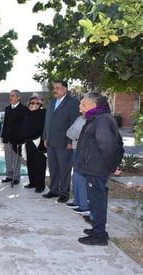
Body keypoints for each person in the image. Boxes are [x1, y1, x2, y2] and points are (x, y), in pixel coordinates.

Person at [74, 92, 123, 246]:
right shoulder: (98, 118)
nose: (80, 107)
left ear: (93, 106)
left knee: (98, 202)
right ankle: (98, 229)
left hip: (97, 169)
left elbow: (108, 146)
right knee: (96, 201)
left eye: (83, 104)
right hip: (94, 168)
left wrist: (112, 166)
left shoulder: (101, 120)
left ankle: (99, 236)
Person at [42, 80, 80, 203]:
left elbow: (74, 123)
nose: (55, 90)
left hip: (64, 142)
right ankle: (54, 190)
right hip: (51, 141)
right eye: (54, 88)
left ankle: (64, 193)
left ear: (65, 89)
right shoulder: (52, 102)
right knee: (53, 168)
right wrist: (45, 137)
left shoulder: (73, 103)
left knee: (64, 168)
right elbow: (47, 121)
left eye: (58, 88)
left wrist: (70, 141)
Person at [17, 95, 47, 193]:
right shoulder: (27, 114)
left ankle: (40, 186)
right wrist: (20, 139)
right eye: (32, 103)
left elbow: (46, 128)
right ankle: (32, 182)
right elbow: (23, 128)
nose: (34, 105)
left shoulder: (43, 113)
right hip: (28, 142)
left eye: (37, 103)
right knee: (30, 163)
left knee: (40, 164)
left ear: (40, 105)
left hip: (39, 142)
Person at [1, 89, 28, 185]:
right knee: (8, 158)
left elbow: (25, 125)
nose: (10, 98)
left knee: (16, 158)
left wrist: (22, 138)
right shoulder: (7, 109)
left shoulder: (24, 109)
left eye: (12, 96)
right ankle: (9, 175)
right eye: (10, 96)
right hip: (7, 138)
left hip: (17, 139)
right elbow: (5, 123)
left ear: (18, 97)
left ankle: (16, 177)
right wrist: (3, 135)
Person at [66, 114, 90, 215]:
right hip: (75, 148)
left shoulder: (91, 119)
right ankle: (77, 201)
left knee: (81, 177)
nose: (80, 107)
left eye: (83, 104)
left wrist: (76, 135)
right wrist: (76, 135)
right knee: (75, 176)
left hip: (83, 150)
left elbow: (83, 134)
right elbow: (68, 132)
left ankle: (84, 205)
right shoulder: (79, 118)